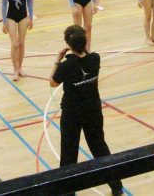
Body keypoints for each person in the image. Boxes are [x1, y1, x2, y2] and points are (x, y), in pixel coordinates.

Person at [50, 25, 124, 196]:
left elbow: (52, 82)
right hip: (93, 110)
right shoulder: (95, 59)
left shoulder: (67, 66)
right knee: (100, 148)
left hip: (72, 113)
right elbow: (87, 56)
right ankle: (116, 186)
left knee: (69, 153)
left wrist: (57, 60)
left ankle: (68, 192)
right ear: (85, 42)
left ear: (68, 44)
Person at [1, 0, 33, 81]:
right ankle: (15, 69)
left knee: (21, 43)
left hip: (23, 16)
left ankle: (20, 67)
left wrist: (30, 18)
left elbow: (29, 2)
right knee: (14, 44)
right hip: (12, 17)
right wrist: (4, 22)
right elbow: (4, 5)